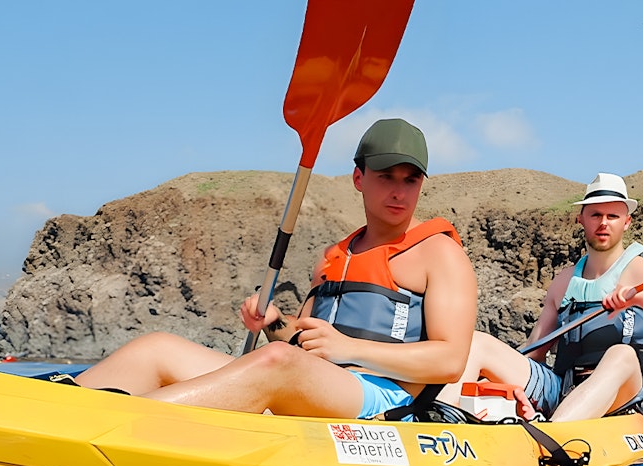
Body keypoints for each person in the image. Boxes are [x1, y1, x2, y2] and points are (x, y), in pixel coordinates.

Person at [73, 118, 477, 419]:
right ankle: (56, 408)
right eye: (386, 176)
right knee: (157, 347)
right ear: (359, 177)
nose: (398, 191)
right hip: (312, 380)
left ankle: (107, 423)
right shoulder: (336, 254)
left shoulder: (439, 254)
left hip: (381, 396)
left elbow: (449, 360)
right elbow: (299, 343)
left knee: (277, 363)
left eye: (410, 179)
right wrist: (274, 322)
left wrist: (350, 349)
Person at [441, 173, 643, 422]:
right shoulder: (563, 282)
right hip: (562, 388)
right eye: (595, 215)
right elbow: (535, 350)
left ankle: (554, 434)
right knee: (478, 343)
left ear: (626, 222)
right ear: (580, 219)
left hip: (623, 395)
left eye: (613, 216)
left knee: (621, 354)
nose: (603, 223)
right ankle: (440, 420)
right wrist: (494, 381)